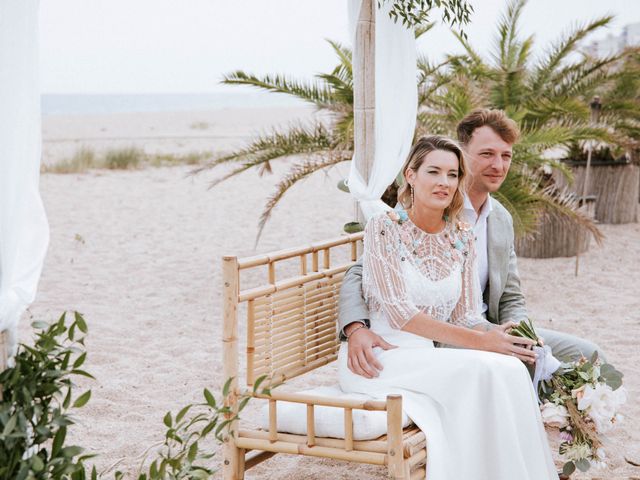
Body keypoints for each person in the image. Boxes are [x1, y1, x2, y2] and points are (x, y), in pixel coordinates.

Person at [338, 135, 558, 479]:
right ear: (410, 175)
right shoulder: (384, 227)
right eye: (434, 172)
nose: (444, 183)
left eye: (453, 175)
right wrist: (482, 342)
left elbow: (466, 315)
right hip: (380, 356)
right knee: (480, 371)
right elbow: (399, 313)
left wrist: (497, 333)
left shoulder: (462, 235)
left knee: (512, 368)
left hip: (428, 355)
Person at [339, 109, 604, 379]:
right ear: (462, 154)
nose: (498, 166)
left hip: (483, 326)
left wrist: (523, 333)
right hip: (433, 334)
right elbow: (361, 273)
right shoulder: (421, 206)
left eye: (506, 156)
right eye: (487, 154)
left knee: (592, 358)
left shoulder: (500, 218)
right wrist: (356, 327)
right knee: (509, 369)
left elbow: (511, 293)